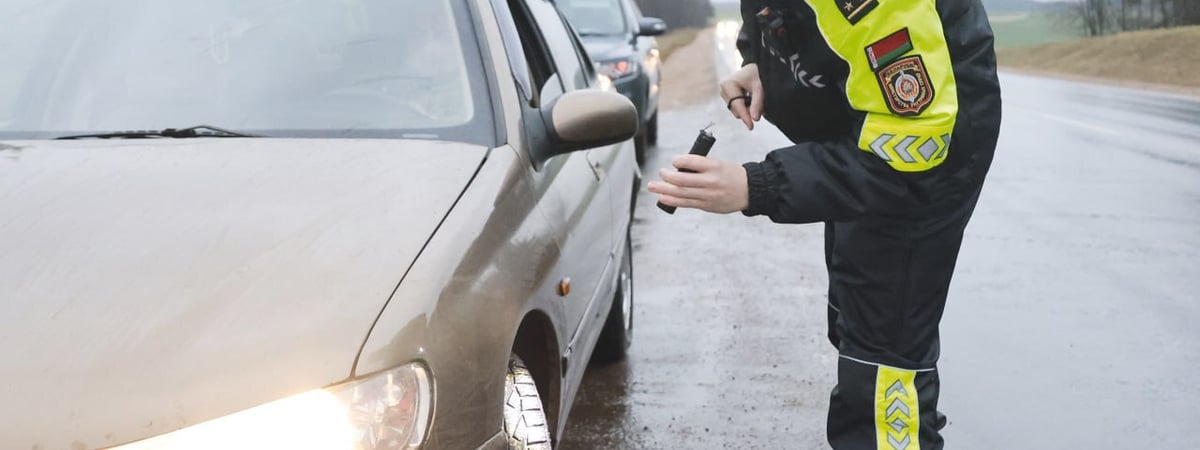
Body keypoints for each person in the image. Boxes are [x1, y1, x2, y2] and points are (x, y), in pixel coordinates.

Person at [647, 0, 1002, 448]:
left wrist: (757, 184)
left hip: (922, 158)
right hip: (857, 131)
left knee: (881, 372)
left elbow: (918, 142)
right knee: (854, 328)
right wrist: (763, 61)